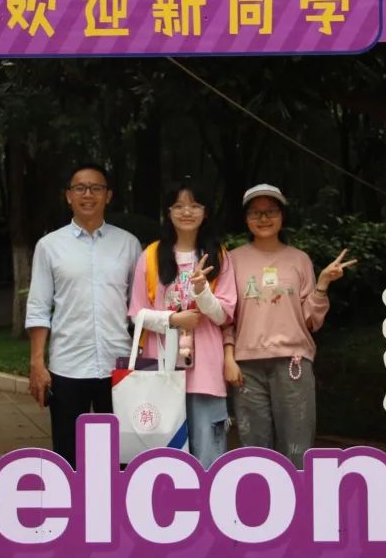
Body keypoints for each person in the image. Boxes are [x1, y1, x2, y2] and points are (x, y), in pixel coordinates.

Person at [222, 184, 356, 468]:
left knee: (297, 446)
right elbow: (226, 315)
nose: (263, 218)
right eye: (255, 212)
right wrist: (228, 356)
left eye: (271, 211)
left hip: (293, 362)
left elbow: (310, 321)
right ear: (246, 218)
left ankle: (299, 495)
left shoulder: (299, 259)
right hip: (246, 367)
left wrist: (322, 284)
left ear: (282, 216)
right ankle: (259, 496)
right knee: (254, 449)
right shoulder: (232, 260)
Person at [24, 163, 143, 468]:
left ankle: (117, 500)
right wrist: (37, 363)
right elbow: (38, 307)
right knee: (68, 456)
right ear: (69, 196)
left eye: (96, 188)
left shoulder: (128, 244)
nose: (88, 194)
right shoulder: (49, 246)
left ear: (108, 195)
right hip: (68, 364)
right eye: (80, 188)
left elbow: (139, 308)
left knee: (122, 457)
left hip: (118, 365)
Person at [128, 178, 237, 468]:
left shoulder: (219, 256)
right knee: (164, 456)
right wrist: (173, 319)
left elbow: (224, 315)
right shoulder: (151, 256)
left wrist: (202, 292)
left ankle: (208, 497)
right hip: (161, 369)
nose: (186, 211)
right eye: (178, 205)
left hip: (206, 371)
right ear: (168, 212)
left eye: (194, 205)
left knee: (208, 453)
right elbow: (137, 314)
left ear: (206, 212)